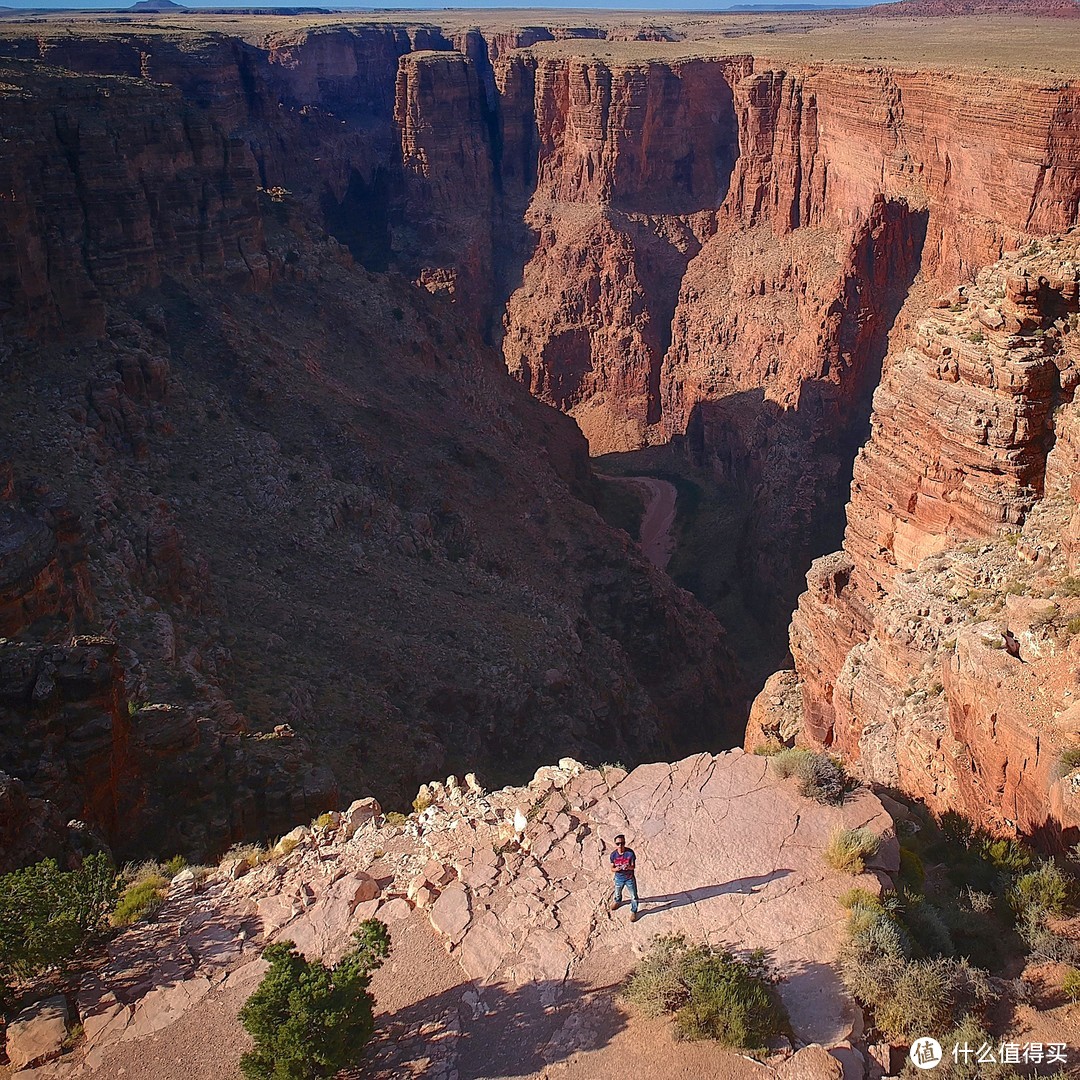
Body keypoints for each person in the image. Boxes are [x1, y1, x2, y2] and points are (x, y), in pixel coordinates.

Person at [609, 834, 639, 921]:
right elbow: (612, 868)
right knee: (617, 892)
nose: (620, 845)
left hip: (629, 878)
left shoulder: (630, 853)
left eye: (622, 843)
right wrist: (616, 869)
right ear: (615, 844)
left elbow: (633, 866)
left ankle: (634, 911)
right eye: (618, 843)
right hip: (619, 878)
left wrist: (628, 867)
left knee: (633, 896)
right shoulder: (613, 855)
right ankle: (618, 901)